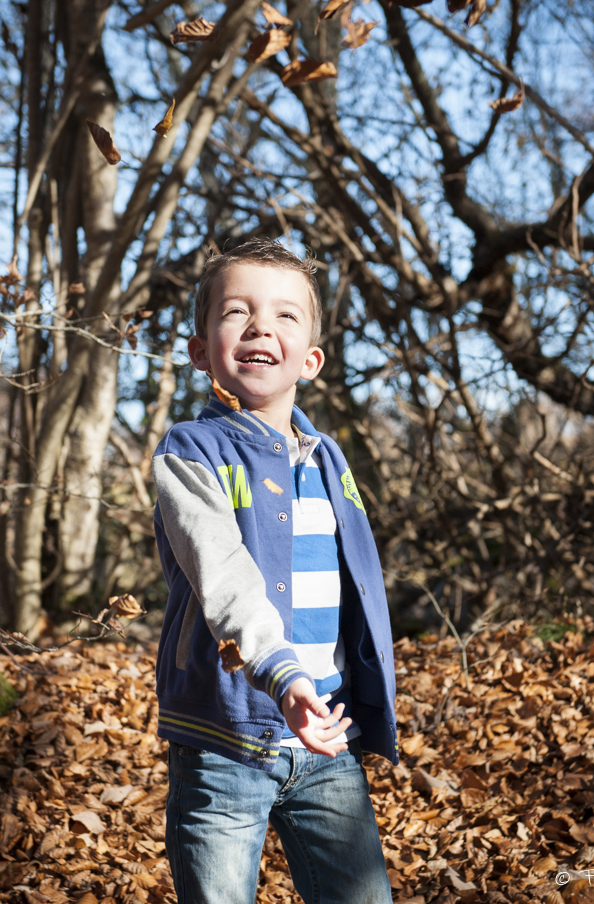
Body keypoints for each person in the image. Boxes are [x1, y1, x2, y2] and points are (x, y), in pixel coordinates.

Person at [152, 238, 397, 904]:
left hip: (325, 735)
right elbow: (224, 574)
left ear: (311, 360)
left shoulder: (328, 458)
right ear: (203, 351)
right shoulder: (190, 452)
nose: (262, 325)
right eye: (238, 312)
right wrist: (283, 674)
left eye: (286, 315)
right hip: (224, 736)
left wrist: (364, 694)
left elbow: (357, 584)